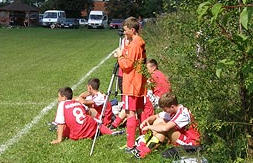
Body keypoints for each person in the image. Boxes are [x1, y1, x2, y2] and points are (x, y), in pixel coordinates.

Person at [131, 92, 201, 159]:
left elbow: (165, 128)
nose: (164, 111)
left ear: (172, 107)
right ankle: (142, 145)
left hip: (190, 143)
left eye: (165, 109)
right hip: (181, 137)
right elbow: (156, 116)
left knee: (166, 129)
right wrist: (146, 121)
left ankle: (144, 151)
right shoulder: (173, 110)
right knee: (159, 120)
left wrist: (149, 127)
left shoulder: (183, 113)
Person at [115, 16, 147, 152]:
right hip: (139, 81)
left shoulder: (135, 44)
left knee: (130, 112)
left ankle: (130, 144)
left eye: (126, 30)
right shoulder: (139, 42)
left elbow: (127, 65)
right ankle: (144, 138)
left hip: (131, 82)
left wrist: (120, 56)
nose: (124, 32)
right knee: (140, 111)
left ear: (132, 30)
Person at [51, 86, 124, 144]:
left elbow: (60, 123)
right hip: (91, 130)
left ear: (64, 97)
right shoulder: (78, 102)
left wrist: (59, 139)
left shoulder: (62, 104)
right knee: (96, 122)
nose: (58, 99)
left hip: (77, 134)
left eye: (59, 96)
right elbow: (88, 111)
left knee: (61, 129)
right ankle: (110, 132)